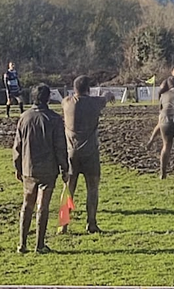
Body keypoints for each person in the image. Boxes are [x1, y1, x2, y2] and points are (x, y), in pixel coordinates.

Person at [13, 85, 69, 254]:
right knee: (42, 206)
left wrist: (17, 167)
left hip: (28, 169)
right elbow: (60, 147)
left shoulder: (24, 118)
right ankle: (40, 244)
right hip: (48, 169)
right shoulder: (54, 119)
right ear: (47, 99)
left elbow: (17, 146)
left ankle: (22, 244)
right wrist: (64, 168)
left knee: (27, 205)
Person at [60, 76, 108, 234]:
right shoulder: (94, 103)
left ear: (74, 89)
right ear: (88, 89)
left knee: (68, 189)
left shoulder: (66, 103)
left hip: (71, 153)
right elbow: (106, 98)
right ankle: (91, 223)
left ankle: (64, 224)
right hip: (90, 153)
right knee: (92, 189)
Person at [146, 65, 174, 148]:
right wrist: (161, 104)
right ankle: (151, 140)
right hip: (167, 105)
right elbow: (160, 92)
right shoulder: (167, 81)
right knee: (160, 123)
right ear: (172, 72)